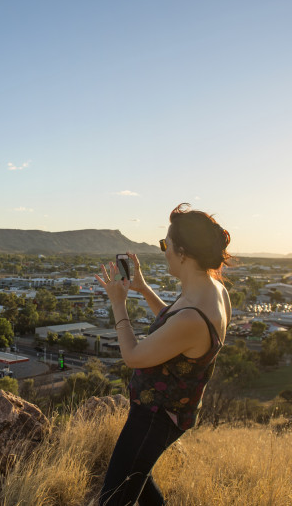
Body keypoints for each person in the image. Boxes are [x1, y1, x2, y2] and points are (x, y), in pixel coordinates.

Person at [94, 203, 231, 506]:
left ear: (182, 252)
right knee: (141, 483)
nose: (163, 251)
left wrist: (118, 303)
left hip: (154, 417)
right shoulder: (213, 292)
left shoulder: (194, 317)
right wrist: (142, 288)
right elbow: (174, 327)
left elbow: (133, 355)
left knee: (113, 498)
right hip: (168, 412)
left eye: (165, 244)